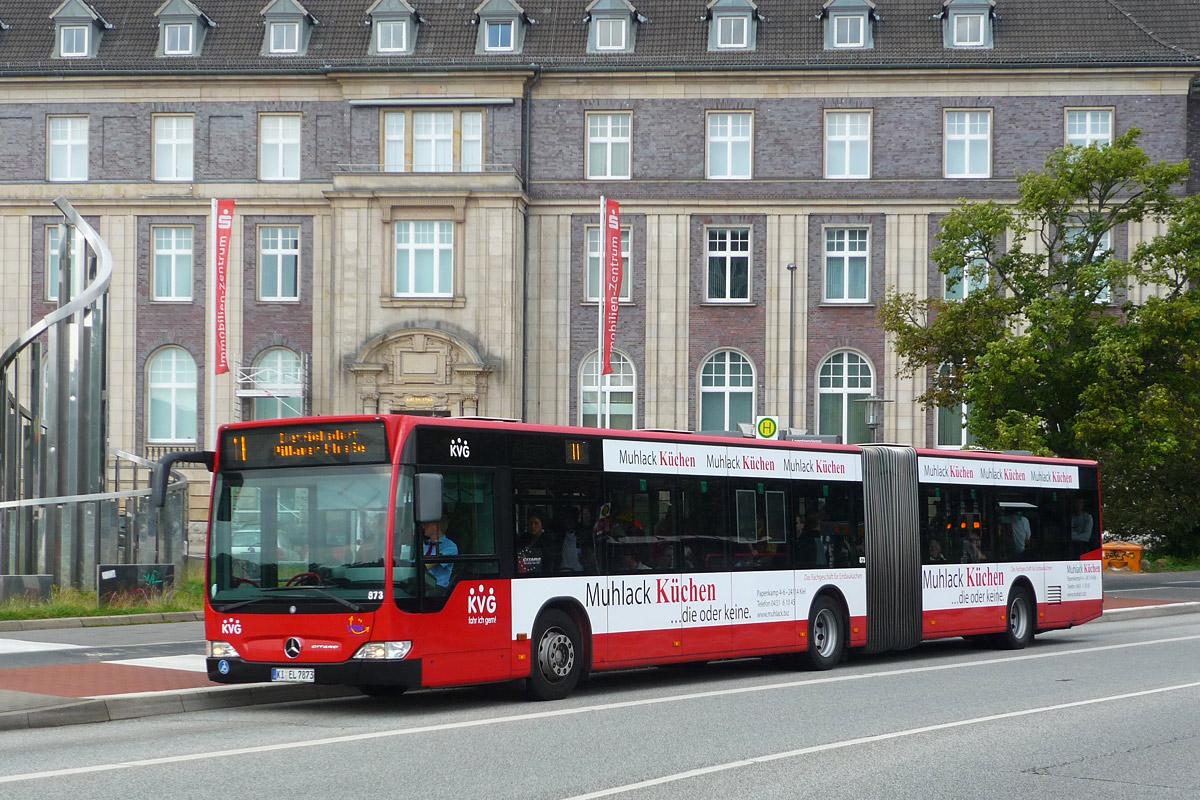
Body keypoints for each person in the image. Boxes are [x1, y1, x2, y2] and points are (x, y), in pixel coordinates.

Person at [421, 519, 457, 588]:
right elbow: (413, 563)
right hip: (423, 584)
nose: (423, 527)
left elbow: (428, 565)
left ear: (437, 527)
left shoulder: (450, 547)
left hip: (437, 587)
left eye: (426, 524)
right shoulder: (425, 544)